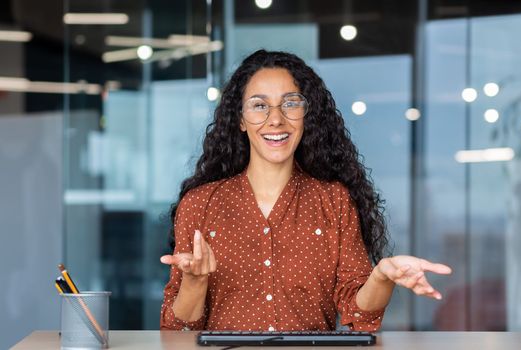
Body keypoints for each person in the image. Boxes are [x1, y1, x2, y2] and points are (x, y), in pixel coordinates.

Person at [159, 50, 452, 332]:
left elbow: (359, 312)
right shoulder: (200, 204)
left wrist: (382, 276)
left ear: (306, 113)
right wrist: (194, 282)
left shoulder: (334, 200)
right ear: (240, 119)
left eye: (290, 103)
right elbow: (177, 328)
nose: (276, 119)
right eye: (260, 105)